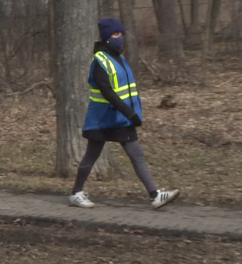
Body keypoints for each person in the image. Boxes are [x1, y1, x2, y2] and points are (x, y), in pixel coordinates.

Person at [69, 18, 179, 209]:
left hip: (120, 119)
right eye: (115, 34)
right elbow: (108, 92)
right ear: (106, 37)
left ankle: (155, 195)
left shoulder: (119, 58)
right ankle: (76, 193)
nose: (120, 38)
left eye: (121, 34)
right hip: (103, 118)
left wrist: (132, 113)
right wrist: (129, 113)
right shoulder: (100, 61)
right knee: (91, 156)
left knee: (136, 154)